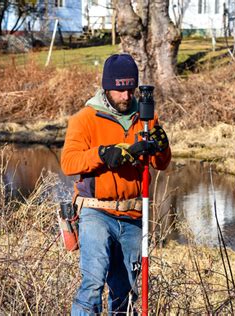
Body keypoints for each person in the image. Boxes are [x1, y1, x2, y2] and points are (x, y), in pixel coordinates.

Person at [61, 54, 171, 315]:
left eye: (129, 89)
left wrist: (163, 147)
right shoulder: (85, 119)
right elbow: (68, 162)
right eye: (119, 90)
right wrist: (102, 154)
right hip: (95, 212)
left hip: (133, 215)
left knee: (126, 292)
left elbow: (161, 164)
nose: (125, 96)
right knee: (93, 283)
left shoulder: (145, 118)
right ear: (106, 87)